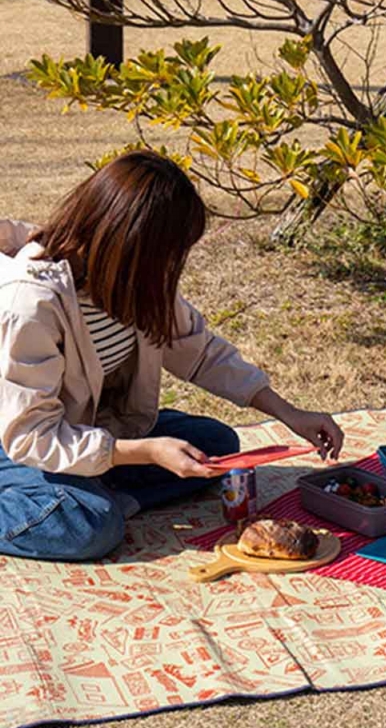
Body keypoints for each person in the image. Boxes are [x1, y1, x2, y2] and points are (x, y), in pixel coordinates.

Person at [0, 150, 344, 562]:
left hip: (86, 426)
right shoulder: (30, 303)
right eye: (169, 252)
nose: (173, 266)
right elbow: (30, 435)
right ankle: (85, 500)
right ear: (131, 245)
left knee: (217, 447)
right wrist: (145, 452)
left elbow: (199, 352)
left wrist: (290, 412)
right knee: (90, 526)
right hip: (17, 438)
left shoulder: (130, 280)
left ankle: (94, 489)